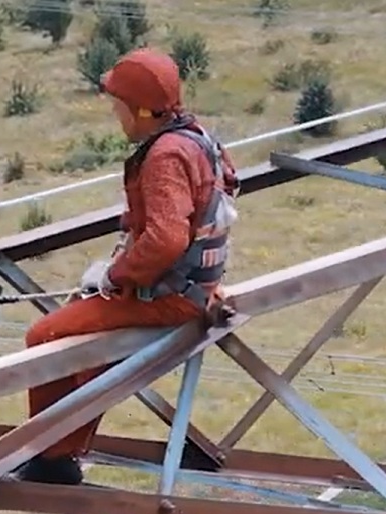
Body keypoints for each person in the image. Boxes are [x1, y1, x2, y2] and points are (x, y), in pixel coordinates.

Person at [15, 47, 241, 486]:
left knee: (47, 336)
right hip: (191, 287)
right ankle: (61, 452)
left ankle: (49, 455)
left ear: (138, 109)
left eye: (118, 105)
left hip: (171, 296)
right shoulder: (195, 138)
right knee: (93, 349)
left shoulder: (164, 158)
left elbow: (167, 238)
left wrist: (114, 277)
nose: (115, 115)